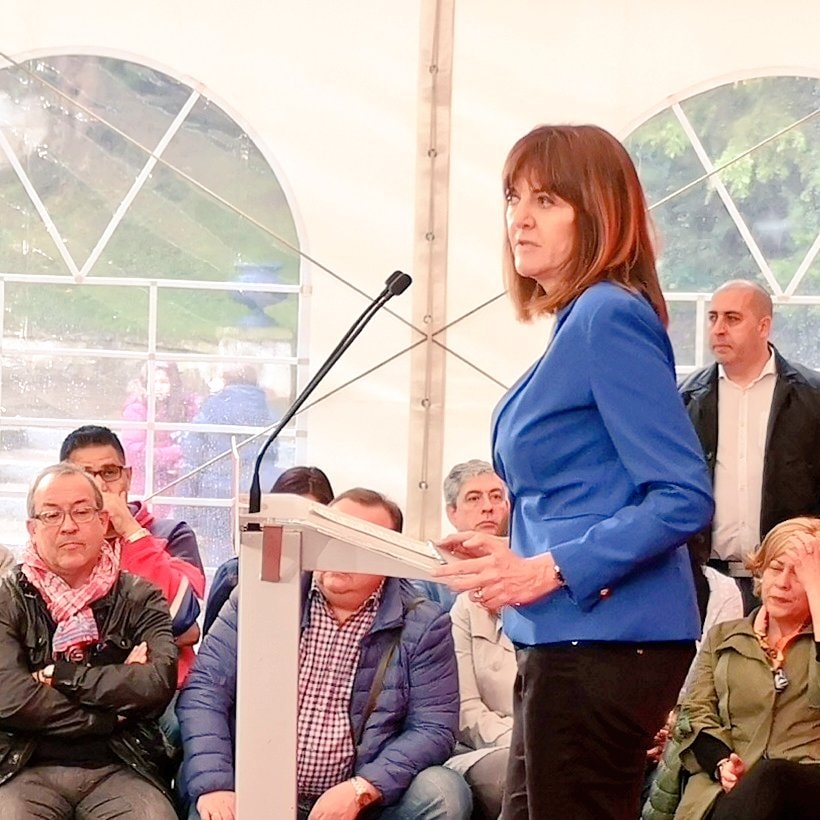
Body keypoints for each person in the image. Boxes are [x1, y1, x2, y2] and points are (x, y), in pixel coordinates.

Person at [434, 124, 714, 820]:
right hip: (570, 638)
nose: (519, 218)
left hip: (608, 641)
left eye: (547, 199)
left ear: (599, 212)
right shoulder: (580, 321)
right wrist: (512, 553)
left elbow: (682, 495)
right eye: (513, 197)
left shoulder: (608, 316)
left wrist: (547, 567)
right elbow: (588, 492)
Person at [178, 488, 471, 820]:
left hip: (360, 799)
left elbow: (434, 728)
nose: (337, 553)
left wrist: (364, 788)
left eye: (355, 543)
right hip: (253, 787)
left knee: (443, 794)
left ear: (389, 557)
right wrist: (216, 783)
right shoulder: (261, 596)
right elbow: (204, 690)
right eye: (330, 536)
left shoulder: (422, 622)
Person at [0, 464, 178, 818]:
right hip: (22, 767)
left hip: (124, 764)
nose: (68, 525)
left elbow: (156, 683)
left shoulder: (140, 596)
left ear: (103, 521)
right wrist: (110, 715)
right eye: (52, 515)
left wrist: (63, 676)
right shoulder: (7, 597)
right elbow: (10, 698)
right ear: (32, 530)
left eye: (82, 511)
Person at [679, 279, 820, 614]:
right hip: (706, 579)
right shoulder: (684, 399)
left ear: (764, 326)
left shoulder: (812, 397)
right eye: (713, 317)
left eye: (732, 318)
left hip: (790, 579)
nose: (718, 329)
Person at [674, 516, 820, 820]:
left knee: (773, 777)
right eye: (776, 568)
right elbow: (694, 713)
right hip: (726, 790)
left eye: (799, 576)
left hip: (805, 788)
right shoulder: (723, 636)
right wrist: (721, 762)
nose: (782, 583)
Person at [60, 425, 205, 688]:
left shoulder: (173, 535)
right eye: (85, 475)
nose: (100, 485)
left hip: (164, 688)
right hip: (79, 687)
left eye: (109, 473)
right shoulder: (61, 541)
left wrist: (130, 530)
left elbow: (181, 618)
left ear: (127, 477)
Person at [201, 465, 335, 634]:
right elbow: (212, 650)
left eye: (308, 523)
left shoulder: (336, 582)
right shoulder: (234, 575)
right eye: (289, 520)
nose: (296, 532)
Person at [181, 364, 278, 563]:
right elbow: (272, 455)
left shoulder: (211, 407)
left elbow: (192, 458)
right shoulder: (269, 411)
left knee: (218, 554)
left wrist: (186, 511)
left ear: (226, 380)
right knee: (253, 553)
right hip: (255, 493)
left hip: (214, 493)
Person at [446, 569, 516, 820]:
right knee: (520, 770)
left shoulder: (568, 609)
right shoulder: (466, 608)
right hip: (483, 747)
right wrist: (524, 742)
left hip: (562, 744)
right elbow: (465, 710)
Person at [414, 460, 510, 611]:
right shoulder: (426, 574)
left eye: (496, 497)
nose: (488, 507)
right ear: (452, 512)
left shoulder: (531, 561)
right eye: (473, 498)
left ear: (507, 506)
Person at [121, 361, 196, 496]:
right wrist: (174, 453)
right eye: (153, 381)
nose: (158, 387)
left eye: (163, 382)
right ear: (145, 384)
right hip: (145, 483)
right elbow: (134, 451)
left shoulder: (181, 408)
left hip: (173, 484)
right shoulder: (137, 410)